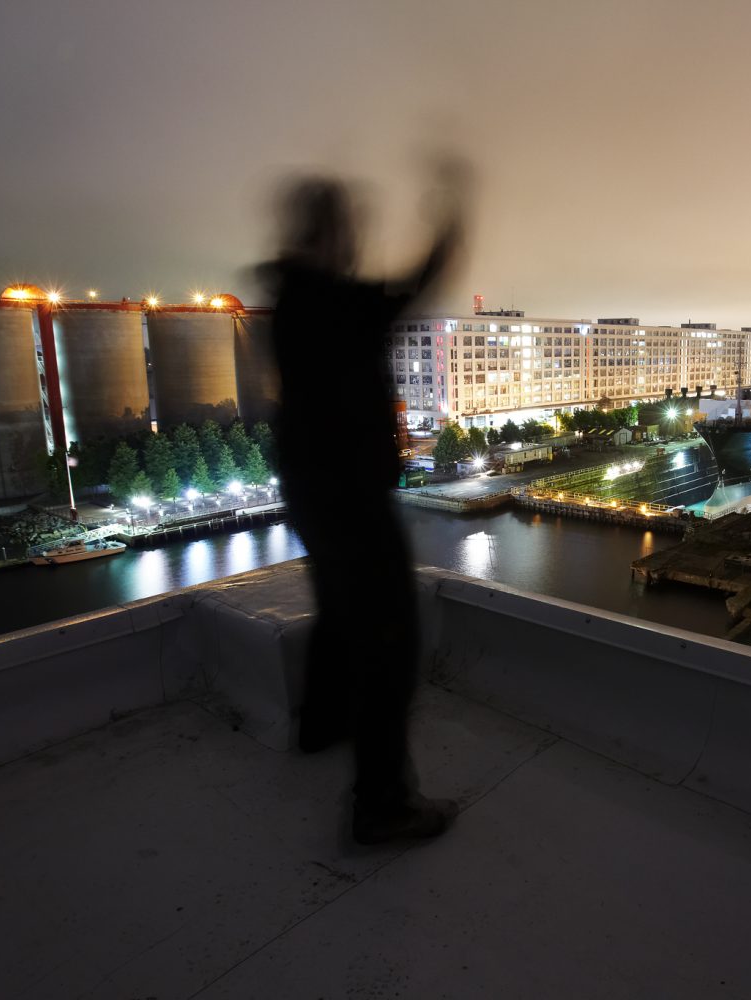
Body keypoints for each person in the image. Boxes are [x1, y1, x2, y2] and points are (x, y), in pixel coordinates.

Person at [261, 162, 467, 845]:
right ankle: (382, 804)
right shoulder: (336, 303)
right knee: (390, 637)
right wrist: (450, 219)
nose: (354, 241)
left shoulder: (290, 301)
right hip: (351, 491)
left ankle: (322, 724)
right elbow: (414, 287)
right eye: (346, 229)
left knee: (338, 607)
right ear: (328, 234)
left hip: (309, 488)